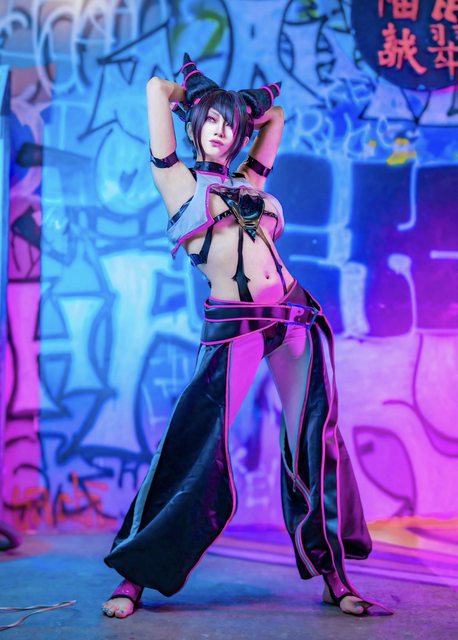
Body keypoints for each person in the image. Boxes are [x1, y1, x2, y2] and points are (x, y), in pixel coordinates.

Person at [101, 53, 393, 619]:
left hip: (292, 314)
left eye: (229, 125)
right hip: (235, 323)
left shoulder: (248, 180)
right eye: (211, 121)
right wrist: (201, 97)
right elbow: (157, 88)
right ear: (194, 124)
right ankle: (134, 576)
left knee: (314, 441)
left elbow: (276, 116)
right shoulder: (177, 179)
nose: (220, 131)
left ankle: (335, 576)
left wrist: (244, 109)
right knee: (192, 443)